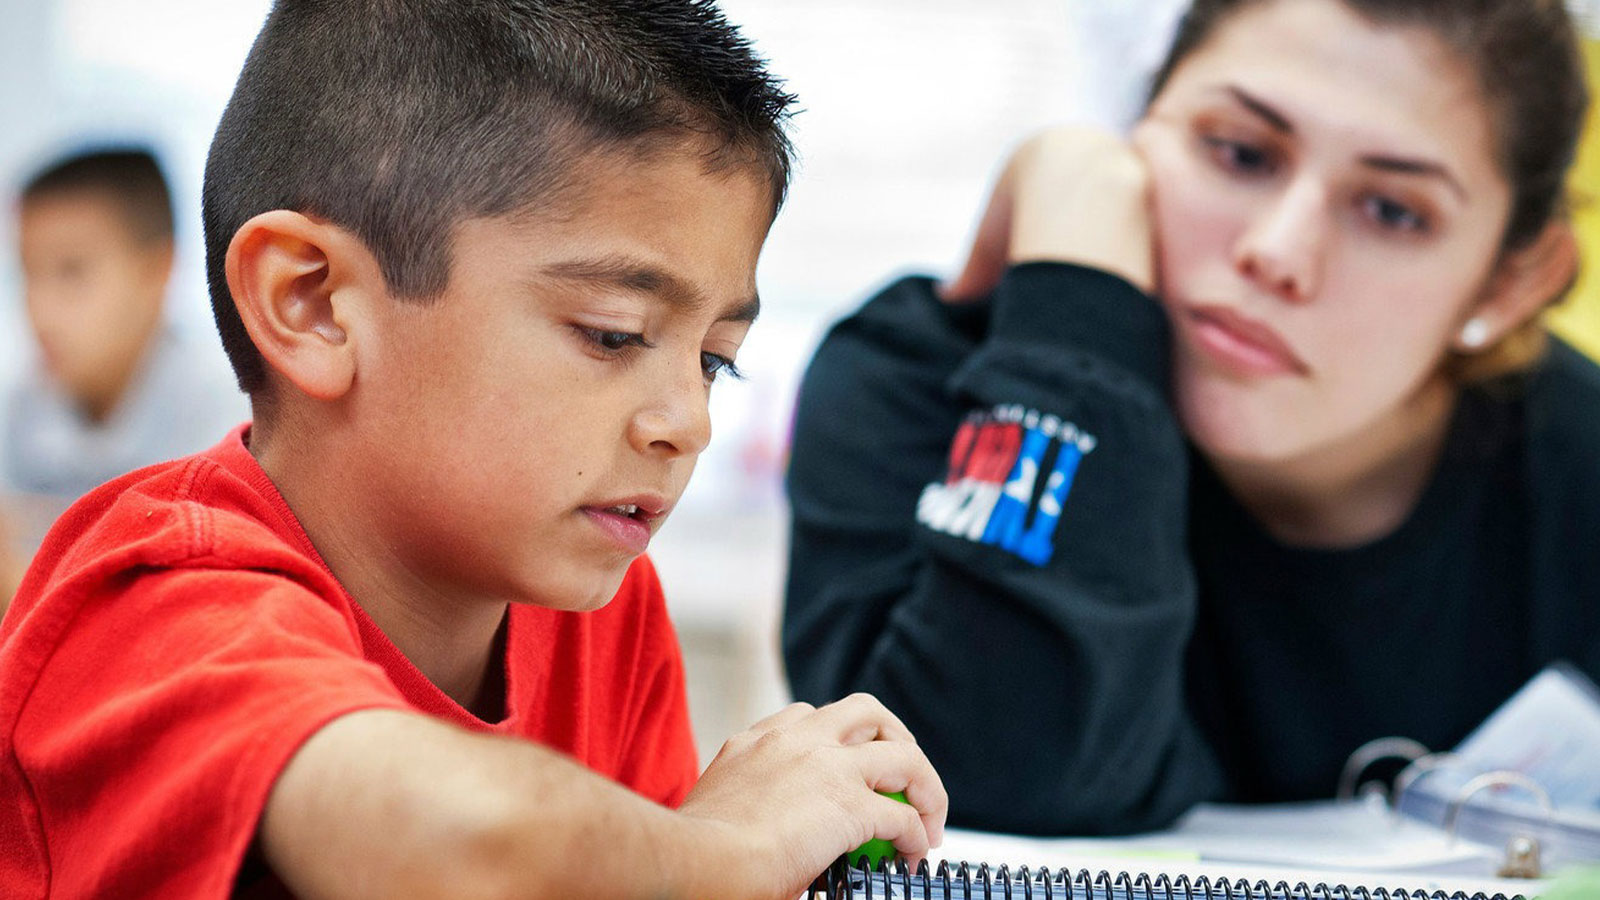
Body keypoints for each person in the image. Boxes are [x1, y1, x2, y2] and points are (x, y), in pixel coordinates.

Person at [0, 2, 947, 898]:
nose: (688, 423)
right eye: (613, 334)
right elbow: (474, 846)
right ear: (314, 305)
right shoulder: (155, 602)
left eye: (714, 361)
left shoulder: (596, 608)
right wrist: (728, 842)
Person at [784, 0, 1600, 836]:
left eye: (1393, 211)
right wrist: (1079, 317)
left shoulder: (1581, 471)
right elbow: (972, 796)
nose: (1279, 252)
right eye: (1239, 152)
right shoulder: (915, 375)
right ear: (1136, 129)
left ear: (1513, 283)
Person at [1, 148, 247, 614]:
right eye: (26, 275)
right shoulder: (21, 406)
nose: (40, 310)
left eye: (71, 272)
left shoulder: (223, 415)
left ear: (156, 271)